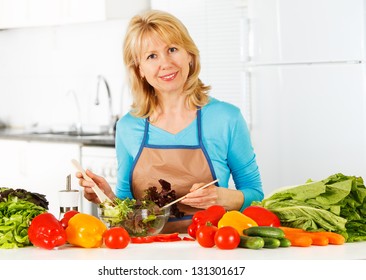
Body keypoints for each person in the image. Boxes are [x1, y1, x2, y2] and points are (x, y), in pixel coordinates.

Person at [77, 10, 264, 233]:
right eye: (151, 56)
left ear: (190, 56)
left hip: (210, 249)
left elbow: (255, 195)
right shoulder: (129, 127)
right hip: (148, 253)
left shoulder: (226, 119)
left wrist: (226, 198)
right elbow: (128, 212)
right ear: (140, 70)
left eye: (172, 49)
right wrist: (106, 197)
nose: (165, 63)